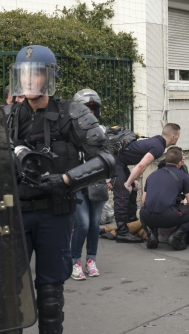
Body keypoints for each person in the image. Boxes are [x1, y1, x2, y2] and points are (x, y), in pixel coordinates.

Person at [0, 45, 115, 334]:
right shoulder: (7, 114)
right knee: (7, 295)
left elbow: (106, 158)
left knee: (51, 295)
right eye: (24, 75)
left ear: (48, 76)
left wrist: (67, 180)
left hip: (56, 211)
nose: (29, 81)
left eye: (35, 74)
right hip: (14, 212)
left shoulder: (73, 113)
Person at [115, 123, 181, 243]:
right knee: (123, 194)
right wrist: (128, 183)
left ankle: (130, 224)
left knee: (132, 193)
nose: (178, 138)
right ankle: (122, 232)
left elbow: (141, 163)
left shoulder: (157, 140)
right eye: (178, 136)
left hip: (121, 160)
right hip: (117, 160)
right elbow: (142, 165)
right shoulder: (159, 147)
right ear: (173, 137)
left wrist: (133, 180)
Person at [69, 88, 109, 280]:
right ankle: (75, 261)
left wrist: (109, 179)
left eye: (93, 110)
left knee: (94, 224)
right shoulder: (68, 132)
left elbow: (108, 157)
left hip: (97, 182)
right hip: (76, 184)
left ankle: (91, 260)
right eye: (85, 110)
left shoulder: (101, 132)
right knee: (83, 224)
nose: (90, 114)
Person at [139, 147, 189, 250]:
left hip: (147, 217)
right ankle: (175, 237)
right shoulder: (183, 176)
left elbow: (144, 201)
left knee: (142, 210)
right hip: (168, 217)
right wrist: (183, 204)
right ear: (179, 163)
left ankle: (151, 235)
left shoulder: (151, 175)